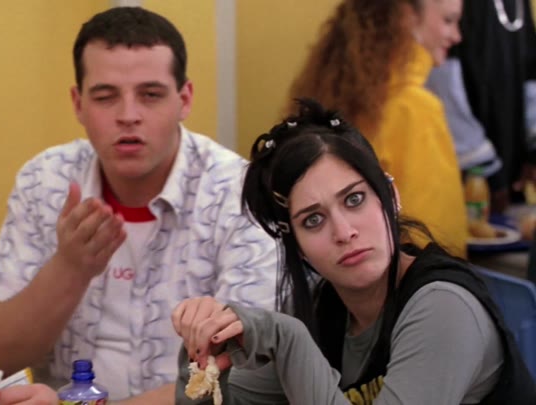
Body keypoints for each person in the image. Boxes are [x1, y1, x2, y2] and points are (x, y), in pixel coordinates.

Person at [0, 6, 278, 404]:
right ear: (78, 103)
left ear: (184, 99)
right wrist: (69, 269)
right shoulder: (45, 180)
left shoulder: (238, 193)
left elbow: (244, 377)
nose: (128, 116)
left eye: (150, 95)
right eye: (105, 97)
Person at [172, 99, 536, 404]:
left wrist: (288, 341)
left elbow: (288, 343)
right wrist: (203, 355)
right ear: (298, 247)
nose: (344, 232)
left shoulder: (443, 306)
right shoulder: (325, 310)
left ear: (389, 196)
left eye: (354, 199)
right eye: (313, 220)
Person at [287, 0, 468, 257]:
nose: (457, 36)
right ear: (407, 15)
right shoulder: (414, 108)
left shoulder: (337, 91)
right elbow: (435, 235)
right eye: (448, 20)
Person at [426, 0, 536, 213]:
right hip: (466, 170)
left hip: (512, 169)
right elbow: (441, 83)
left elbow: (531, 70)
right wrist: (485, 168)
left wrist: (534, 147)